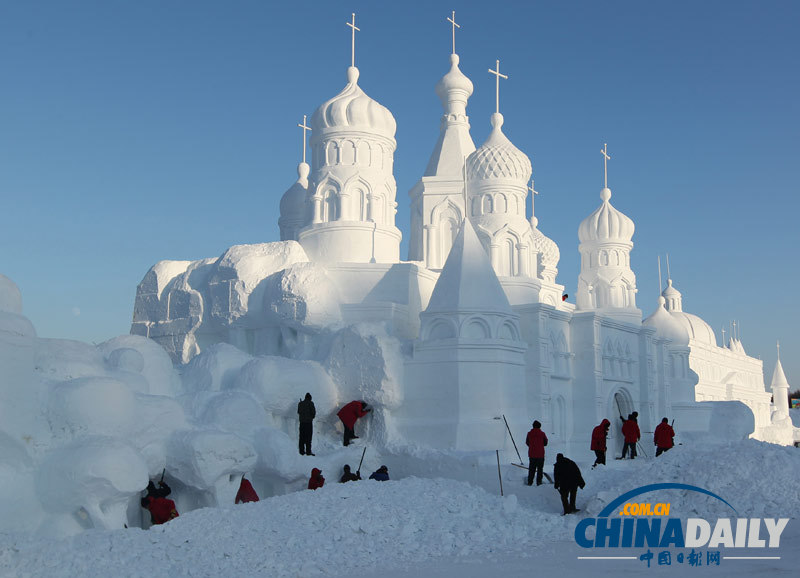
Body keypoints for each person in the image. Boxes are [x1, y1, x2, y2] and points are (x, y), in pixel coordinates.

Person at [525, 420, 548, 486]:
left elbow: (527, 442)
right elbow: (545, 443)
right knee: (540, 469)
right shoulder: (542, 433)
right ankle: (539, 482)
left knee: (531, 469)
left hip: (532, 454)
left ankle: (530, 482)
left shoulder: (529, 433)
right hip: (540, 454)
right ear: (540, 426)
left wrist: (532, 446)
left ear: (533, 426)